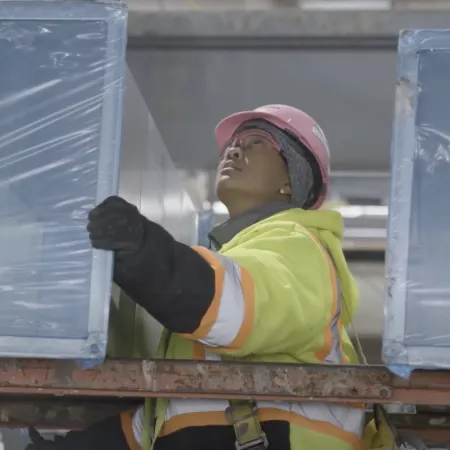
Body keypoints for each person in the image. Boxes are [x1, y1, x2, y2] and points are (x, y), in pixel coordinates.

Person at [26, 105, 364, 450]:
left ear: (291, 179)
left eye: (256, 142)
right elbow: (165, 420)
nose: (233, 149)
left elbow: (235, 306)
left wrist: (142, 251)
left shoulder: (298, 245)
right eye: (233, 143)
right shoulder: (234, 258)